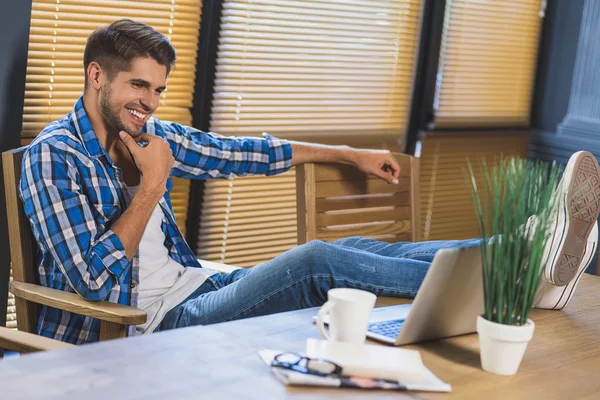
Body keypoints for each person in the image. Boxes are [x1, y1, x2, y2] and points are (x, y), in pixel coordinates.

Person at [20, 19, 600, 344]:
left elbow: (242, 153)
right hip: (138, 328)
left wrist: (349, 153)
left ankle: (520, 262)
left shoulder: (143, 137)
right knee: (315, 261)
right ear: (97, 75)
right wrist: (152, 187)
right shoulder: (54, 159)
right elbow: (96, 282)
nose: (149, 103)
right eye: (138, 87)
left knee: (352, 250)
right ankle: (519, 270)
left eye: (158, 90)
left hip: (189, 290)